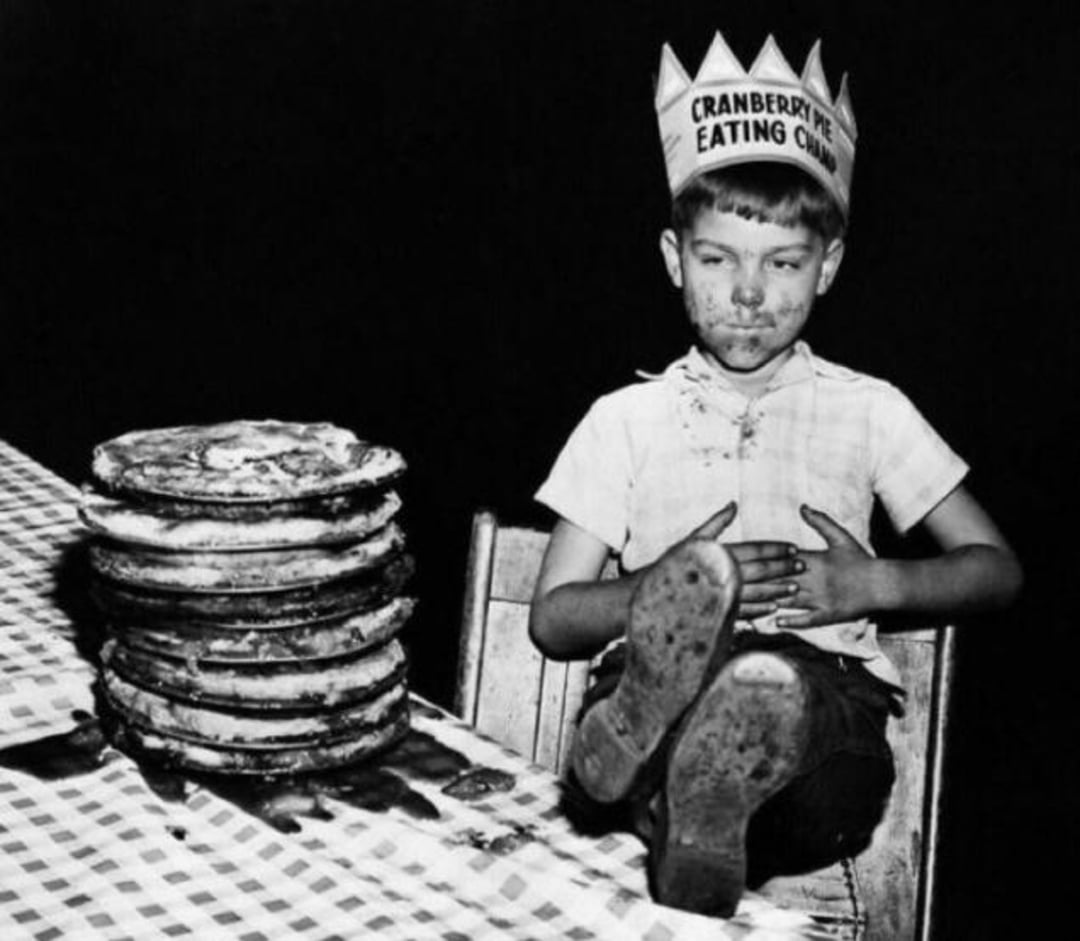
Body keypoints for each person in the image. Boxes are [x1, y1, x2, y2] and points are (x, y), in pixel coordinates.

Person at [529, 32, 1022, 918]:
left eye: (782, 262)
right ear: (677, 261)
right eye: (717, 260)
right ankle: (670, 758)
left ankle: (694, 799)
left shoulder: (871, 408)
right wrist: (652, 592)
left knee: (823, 758)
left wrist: (874, 581)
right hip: (663, 670)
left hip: (824, 689)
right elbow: (557, 616)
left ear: (825, 266)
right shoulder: (624, 420)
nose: (748, 293)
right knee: (663, 706)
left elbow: (995, 567)